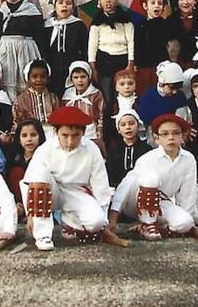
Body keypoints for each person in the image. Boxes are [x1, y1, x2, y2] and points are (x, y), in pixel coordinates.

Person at [20, 106, 128, 251]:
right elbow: (29, 182)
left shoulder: (92, 149)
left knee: (96, 222)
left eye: (76, 135)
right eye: (65, 135)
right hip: (51, 191)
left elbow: (100, 185)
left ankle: (70, 224)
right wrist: (31, 214)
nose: (70, 141)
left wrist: (103, 222)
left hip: (77, 192)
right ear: (56, 132)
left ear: (83, 133)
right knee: (40, 173)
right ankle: (43, 235)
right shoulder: (45, 149)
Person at [108, 113, 198, 242]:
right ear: (156, 138)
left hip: (161, 202)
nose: (171, 138)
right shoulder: (148, 158)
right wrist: (113, 216)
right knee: (150, 178)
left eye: (175, 133)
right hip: (135, 201)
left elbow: (188, 193)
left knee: (184, 223)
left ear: (182, 136)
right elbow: (127, 184)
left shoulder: (188, 159)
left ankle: (148, 228)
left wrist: (189, 221)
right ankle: (147, 223)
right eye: (165, 134)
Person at [42, 0, 88, 93]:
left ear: (73, 7)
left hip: (72, 66)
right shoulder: (47, 25)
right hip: (52, 67)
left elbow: (85, 48)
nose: (64, 6)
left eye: (68, 3)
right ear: (54, 6)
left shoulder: (78, 25)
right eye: (61, 3)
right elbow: (43, 47)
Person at [62, 60, 106, 153]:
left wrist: (99, 137)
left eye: (83, 77)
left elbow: (101, 117)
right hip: (72, 133)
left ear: (89, 77)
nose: (80, 80)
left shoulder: (95, 94)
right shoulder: (68, 95)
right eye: (76, 77)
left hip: (90, 133)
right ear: (71, 79)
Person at [12, 59, 60, 140]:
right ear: (28, 78)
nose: (39, 80)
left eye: (43, 76)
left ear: (48, 78)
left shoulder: (53, 98)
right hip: (30, 133)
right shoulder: (21, 99)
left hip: (51, 133)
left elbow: (58, 118)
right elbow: (17, 120)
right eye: (34, 77)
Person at [134, 0, 172, 93]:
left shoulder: (166, 25)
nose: (157, 6)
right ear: (145, 6)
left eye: (160, 3)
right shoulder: (140, 26)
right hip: (144, 67)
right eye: (153, 3)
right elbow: (137, 45)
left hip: (161, 66)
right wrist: (135, 63)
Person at [105, 109, 151, 189]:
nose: (128, 127)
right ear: (118, 129)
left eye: (131, 124)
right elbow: (110, 174)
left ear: (138, 126)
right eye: (123, 125)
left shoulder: (147, 149)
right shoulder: (114, 151)